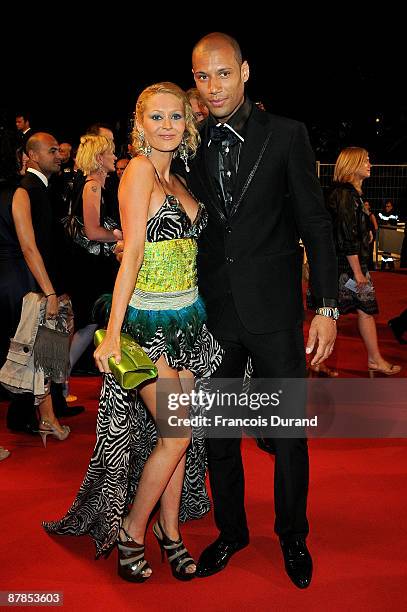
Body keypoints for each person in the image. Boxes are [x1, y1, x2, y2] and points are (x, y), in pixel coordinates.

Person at [43, 82, 223, 582]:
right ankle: (131, 530)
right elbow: (135, 256)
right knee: (177, 433)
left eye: (176, 117)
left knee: (181, 440)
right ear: (139, 125)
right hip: (150, 324)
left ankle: (172, 533)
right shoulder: (139, 172)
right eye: (157, 117)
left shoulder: (180, 175)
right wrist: (115, 332)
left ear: (187, 123)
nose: (168, 126)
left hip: (190, 320)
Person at [182, 32, 338, 589]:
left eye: (223, 74)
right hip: (215, 314)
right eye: (203, 76)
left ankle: (293, 536)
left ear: (245, 72)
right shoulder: (187, 141)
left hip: (274, 312)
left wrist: (325, 306)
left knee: (288, 435)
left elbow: (316, 226)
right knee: (220, 435)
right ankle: (232, 532)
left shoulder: (287, 135)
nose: (214, 86)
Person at [0, 132, 71, 442]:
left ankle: (45, 418)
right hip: (24, 281)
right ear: (24, 157)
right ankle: (46, 419)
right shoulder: (23, 192)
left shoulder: (22, 190)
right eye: (52, 150)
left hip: (18, 279)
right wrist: (52, 290)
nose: (59, 155)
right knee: (37, 350)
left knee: (33, 351)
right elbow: (31, 247)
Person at [326, 147, 401, 376]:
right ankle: (374, 359)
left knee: (335, 312)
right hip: (347, 267)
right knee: (344, 311)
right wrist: (358, 273)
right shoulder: (346, 194)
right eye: (365, 160)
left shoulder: (351, 194)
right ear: (352, 165)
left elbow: (353, 230)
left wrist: (367, 231)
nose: (370, 164)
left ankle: (371, 358)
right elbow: (345, 237)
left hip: (345, 265)